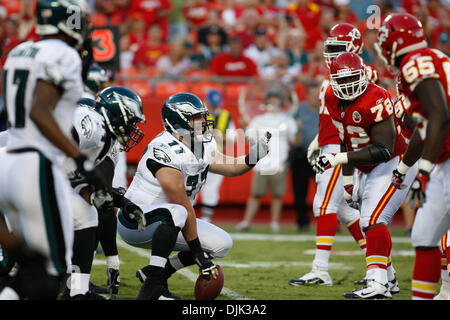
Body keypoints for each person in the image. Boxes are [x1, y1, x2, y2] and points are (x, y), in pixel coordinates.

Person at [0, 0, 110, 300]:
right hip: (35, 163)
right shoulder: (62, 54)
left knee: (30, 265)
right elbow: (39, 109)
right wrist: (81, 161)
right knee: (52, 274)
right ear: (69, 22)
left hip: (8, 160)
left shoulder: (20, 50)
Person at [117, 93, 271, 300]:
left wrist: (254, 156)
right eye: (195, 118)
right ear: (178, 121)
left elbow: (232, 167)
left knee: (221, 244)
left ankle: (158, 271)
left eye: (202, 117)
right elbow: (179, 202)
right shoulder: (163, 149)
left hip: (174, 218)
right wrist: (199, 256)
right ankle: (153, 288)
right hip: (136, 222)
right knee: (179, 212)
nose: (202, 122)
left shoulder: (200, 143)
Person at [313, 52, 417, 299]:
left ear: (364, 75)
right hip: (366, 166)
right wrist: (348, 181)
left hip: (395, 160)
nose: (348, 86)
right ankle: (389, 280)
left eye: (353, 78)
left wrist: (339, 160)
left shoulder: (376, 97)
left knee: (372, 217)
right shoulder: (330, 97)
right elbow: (345, 139)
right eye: (342, 80)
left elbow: (384, 150)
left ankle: (377, 283)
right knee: (369, 220)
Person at [289, 23, 374, 287]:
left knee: (323, 205)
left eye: (338, 48)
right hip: (332, 144)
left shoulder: (360, 74)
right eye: (330, 48)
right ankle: (381, 268)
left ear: (354, 48)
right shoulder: (336, 76)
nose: (331, 54)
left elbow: (353, 118)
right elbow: (333, 118)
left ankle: (320, 270)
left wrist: (332, 145)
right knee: (347, 213)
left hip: (342, 148)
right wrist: (318, 139)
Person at [376, 13, 450, 300]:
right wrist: (405, 168)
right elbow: (424, 127)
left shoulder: (415, 62)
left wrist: (425, 171)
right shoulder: (432, 58)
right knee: (424, 236)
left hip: (445, 161)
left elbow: (440, 116)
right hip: (443, 160)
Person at [61, 86, 146, 300]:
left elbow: (94, 187)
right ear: (115, 115)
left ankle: (76, 290)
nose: (133, 128)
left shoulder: (107, 141)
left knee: (85, 213)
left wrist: (124, 202)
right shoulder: (91, 122)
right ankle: (75, 291)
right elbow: (56, 145)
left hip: (35, 172)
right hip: (17, 165)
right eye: (131, 121)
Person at [235, 90, 299, 233]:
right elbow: (249, 138)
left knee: (277, 195)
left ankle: (274, 223)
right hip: (262, 163)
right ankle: (246, 221)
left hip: (280, 162)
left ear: (281, 102)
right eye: (271, 99)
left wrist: (298, 129)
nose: (273, 102)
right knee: (256, 194)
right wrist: (244, 128)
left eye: (276, 99)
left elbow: (294, 140)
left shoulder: (287, 119)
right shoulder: (258, 120)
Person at [198, 89, 237, 223]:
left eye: (216, 104)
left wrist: (219, 136)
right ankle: (186, 215)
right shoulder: (197, 112)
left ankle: (206, 219)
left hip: (215, 155)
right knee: (191, 186)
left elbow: (233, 138)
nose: (213, 107)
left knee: (211, 188)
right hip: (195, 155)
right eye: (211, 104)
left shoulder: (226, 115)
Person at [289, 84, 319, 232]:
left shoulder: (325, 109)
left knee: (325, 190)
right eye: (313, 94)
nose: (315, 97)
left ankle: (328, 221)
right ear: (307, 96)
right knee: (300, 191)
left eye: (317, 94)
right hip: (301, 153)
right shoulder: (298, 109)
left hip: (320, 154)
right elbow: (289, 128)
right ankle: (302, 222)